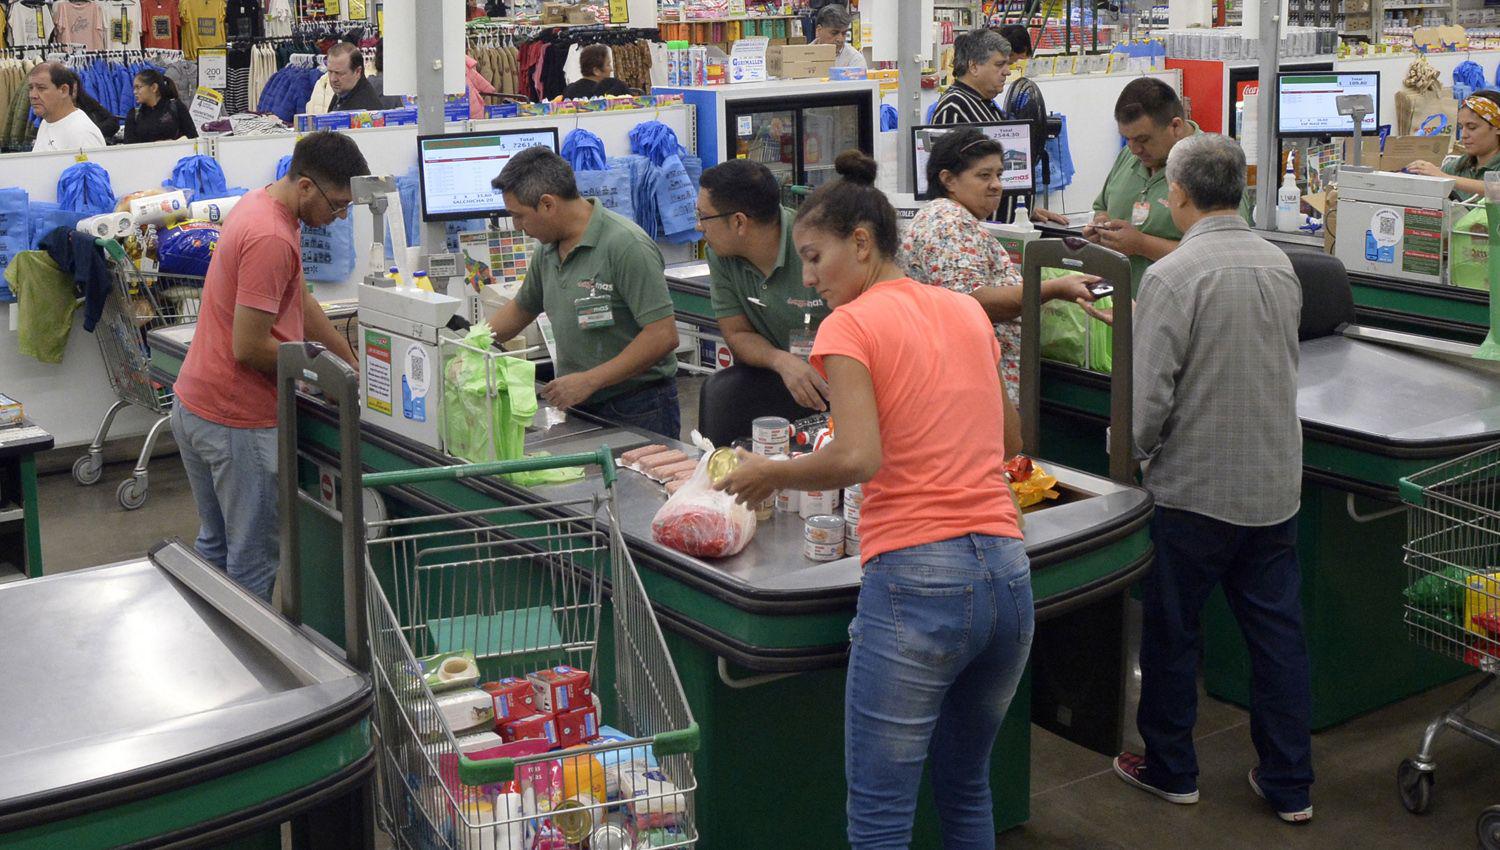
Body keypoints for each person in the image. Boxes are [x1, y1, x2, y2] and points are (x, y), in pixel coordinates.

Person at [718, 151, 1032, 848]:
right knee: (965, 783)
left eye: (814, 256)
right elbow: (1009, 435)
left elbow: (859, 457)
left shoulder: (850, 326)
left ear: (861, 243)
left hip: (919, 583)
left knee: (882, 818)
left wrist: (767, 473)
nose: (807, 277)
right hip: (1008, 578)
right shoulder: (962, 310)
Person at [1112, 133, 1313, 825]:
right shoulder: (1280, 262)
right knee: (1277, 637)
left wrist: (1131, 458)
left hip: (1193, 490)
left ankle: (1171, 769)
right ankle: (1290, 784)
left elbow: (1150, 397)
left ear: (1179, 195)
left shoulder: (1175, 275)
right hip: (1273, 484)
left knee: (1172, 633)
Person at [170, 132, 368, 603]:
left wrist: (343, 352)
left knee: (215, 550)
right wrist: (322, 375)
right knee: (252, 564)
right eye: (337, 205)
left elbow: (295, 291)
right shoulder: (272, 236)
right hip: (237, 421)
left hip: (196, 404)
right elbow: (249, 348)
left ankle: (214, 666)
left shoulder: (261, 205)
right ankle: (245, 672)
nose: (339, 216)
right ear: (305, 186)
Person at [484, 146, 681, 439]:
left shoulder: (626, 246)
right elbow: (521, 308)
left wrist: (591, 380)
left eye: (519, 216)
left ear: (548, 204)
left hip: (638, 406)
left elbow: (663, 335)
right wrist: (469, 343)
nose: (518, 227)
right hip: (580, 403)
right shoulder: (548, 249)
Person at [898, 128, 1102, 403]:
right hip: (969, 389)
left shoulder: (950, 219)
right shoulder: (949, 224)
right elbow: (972, 302)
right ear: (948, 180)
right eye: (984, 175)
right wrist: (1052, 289)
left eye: (999, 175)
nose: (997, 185)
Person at [1075, 77, 1249, 290]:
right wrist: (1101, 225)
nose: (1134, 149)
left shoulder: (1215, 163)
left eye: (1143, 139)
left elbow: (1226, 256)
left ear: (1175, 126)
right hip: (1119, 303)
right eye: (1127, 139)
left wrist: (1142, 245)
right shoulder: (1129, 157)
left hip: (1180, 305)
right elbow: (1102, 206)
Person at [698, 159, 832, 412]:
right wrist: (781, 361)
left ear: (739, 222)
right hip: (778, 387)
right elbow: (737, 333)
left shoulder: (818, 244)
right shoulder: (720, 254)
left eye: (703, 216)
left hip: (845, 387)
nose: (698, 226)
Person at [1407, 90, 1500, 200]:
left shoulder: (1449, 175)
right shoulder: (1456, 167)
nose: (1464, 135)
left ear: (1497, 128)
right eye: (1461, 127)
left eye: (1472, 127)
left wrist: (1445, 178)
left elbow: (1496, 189)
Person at [931, 30, 1010, 125]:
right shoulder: (954, 107)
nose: (1007, 72)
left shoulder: (983, 101)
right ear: (973, 67)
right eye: (999, 64)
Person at [28, 62, 107, 152]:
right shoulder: (46, 123)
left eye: (41, 88)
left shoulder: (82, 133)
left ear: (64, 90)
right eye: (31, 88)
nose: (33, 95)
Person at [124, 68, 198, 144]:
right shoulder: (134, 114)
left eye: (138, 87)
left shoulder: (176, 107)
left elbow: (193, 138)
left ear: (154, 87)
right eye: (134, 88)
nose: (134, 92)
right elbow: (128, 147)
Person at [326, 42, 384, 112]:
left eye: (339, 73)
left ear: (357, 72)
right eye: (330, 72)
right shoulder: (343, 93)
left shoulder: (364, 110)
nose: (333, 79)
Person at [562, 44, 633, 99]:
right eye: (608, 65)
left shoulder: (569, 91)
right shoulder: (615, 88)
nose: (611, 69)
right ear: (596, 71)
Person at [813, 4, 866, 69]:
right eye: (834, 33)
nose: (840, 39)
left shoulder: (855, 60)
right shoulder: (802, 56)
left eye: (844, 33)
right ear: (819, 30)